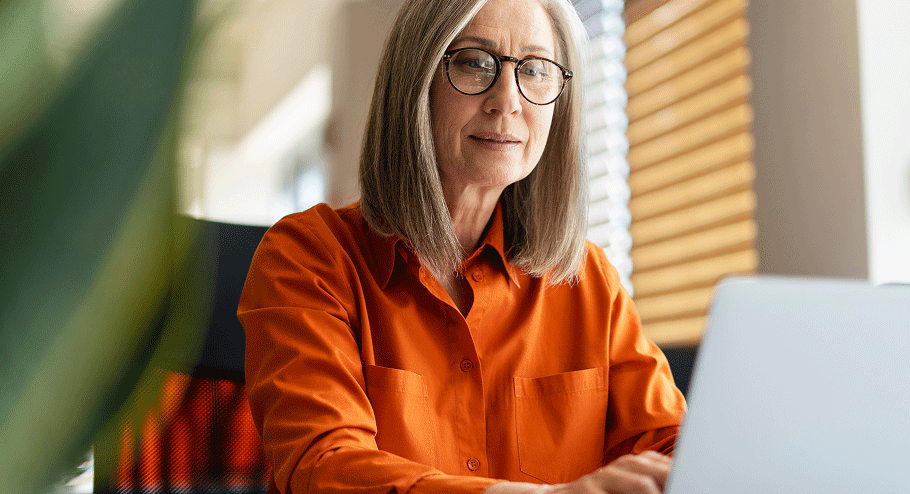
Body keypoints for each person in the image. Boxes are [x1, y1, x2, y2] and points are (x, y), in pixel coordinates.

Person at [237, 0, 686, 492]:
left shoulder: (588, 280)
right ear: (416, 81)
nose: (508, 101)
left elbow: (674, 447)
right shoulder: (307, 258)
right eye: (475, 62)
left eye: (535, 69)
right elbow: (323, 468)